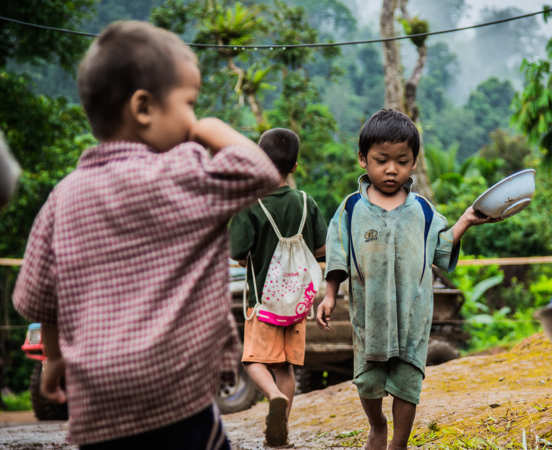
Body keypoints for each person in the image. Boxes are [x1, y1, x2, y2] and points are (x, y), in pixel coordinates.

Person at [12, 21, 281, 449]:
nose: (192, 115)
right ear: (143, 108)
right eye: (189, 103)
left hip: (99, 405)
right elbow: (260, 170)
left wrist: (54, 359)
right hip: (176, 393)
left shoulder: (63, 196)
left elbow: (40, 298)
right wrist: (206, 127)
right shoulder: (184, 172)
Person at [316, 108, 496, 450]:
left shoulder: (424, 212)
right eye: (381, 159)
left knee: (407, 381)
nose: (391, 168)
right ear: (363, 160)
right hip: (369, 317)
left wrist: (467, 220)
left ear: (413, 162)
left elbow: (441, 249)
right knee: (368, 382)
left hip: (412, 317)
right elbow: (337, 255)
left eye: (402, 160)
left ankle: (399, 443)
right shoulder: (351, 209)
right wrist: (328, 295)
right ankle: (377, 426)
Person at [228, 127, 327, 447]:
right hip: (297, 303)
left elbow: (237, 253)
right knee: (287, 367)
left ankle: (272, 396)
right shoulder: (306, 202)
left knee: (254, 361)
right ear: (295, 166)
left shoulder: (251, 205)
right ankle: (280, 429)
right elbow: (321, 250)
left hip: (263, 301)